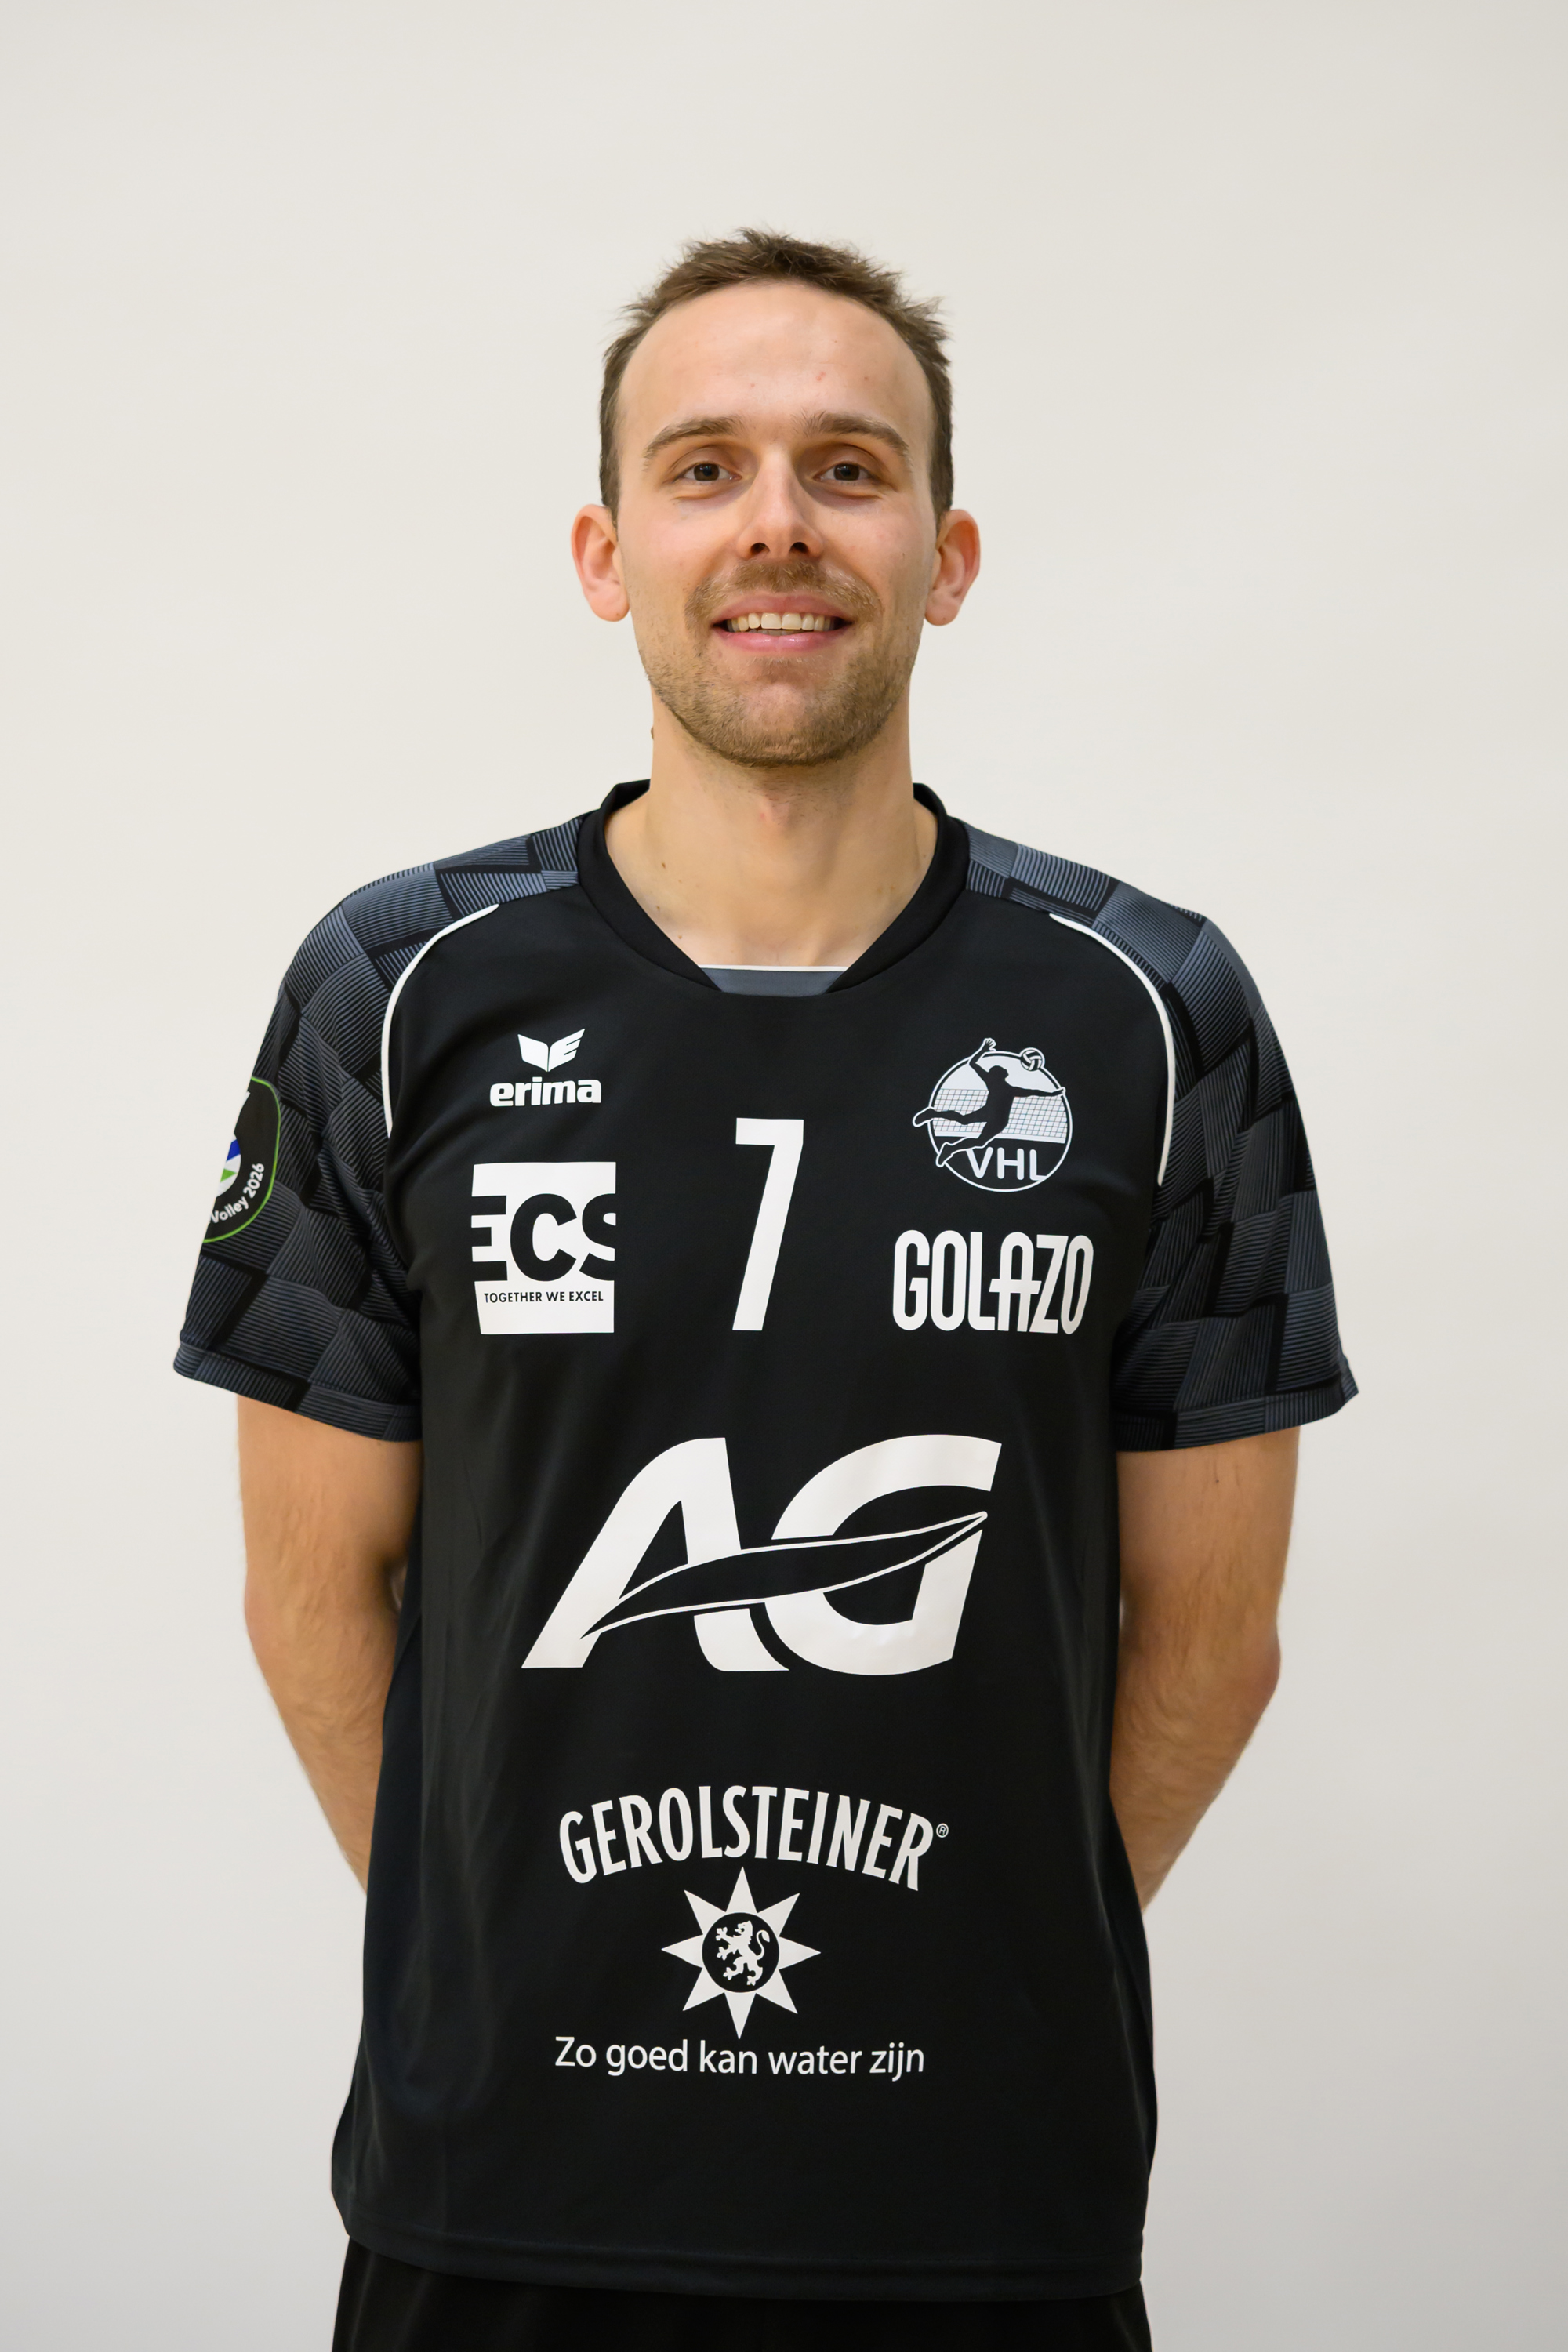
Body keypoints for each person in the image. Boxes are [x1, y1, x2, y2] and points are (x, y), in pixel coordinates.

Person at [175, 230, 1356, 2351]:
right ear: (606, 551)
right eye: (705, 467)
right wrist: (499, 1954)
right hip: (498, 2189)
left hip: (984, 2208)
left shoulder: (1157, 1011)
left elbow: (1215, 1635)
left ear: (948, 554)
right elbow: (308, 1590)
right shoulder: (396, 989)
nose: (779, 524)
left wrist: (991, 1966)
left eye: (850, 467)